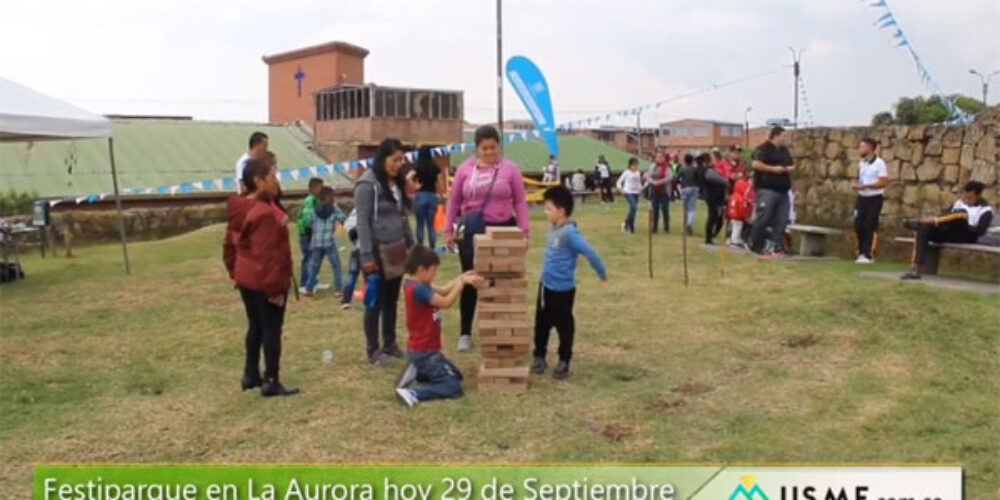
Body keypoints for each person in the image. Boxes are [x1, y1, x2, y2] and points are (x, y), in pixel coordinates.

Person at [444, 125, 530, 353]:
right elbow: (453, 201)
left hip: (503, 229)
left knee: (502, 282)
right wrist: (447, 231)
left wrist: (524, 232)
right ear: (477, 148)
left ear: (499, 146)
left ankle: (501, 332)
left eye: (493, 147)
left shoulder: (510, 170)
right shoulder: (464, 170)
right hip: (472, 231)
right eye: (485, 148)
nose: (490, 153)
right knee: (471, 280)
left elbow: (520, 201)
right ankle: (465, 333)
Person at [223, 152, 298, 397]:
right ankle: (271, 379)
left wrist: (236, 272)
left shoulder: (241, 207)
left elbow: (229, 245)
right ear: (258, 180)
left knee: (255, 326)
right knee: (270, 328)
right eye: (272, 176)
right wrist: (276, 287)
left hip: (246, 277)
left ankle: (250, 373)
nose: (276, 180)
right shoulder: (264, 213)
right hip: (264, 280)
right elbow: (270, 255)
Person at [530, 186, 607, 380]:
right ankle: (539, 356)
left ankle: (564, 360)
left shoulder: (569, 233)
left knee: (564, 325)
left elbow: (590, 252)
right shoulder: (554, 229)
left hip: (563, 291)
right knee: (541, 324)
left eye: (548, 208)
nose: (545, 212)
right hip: (545, 287)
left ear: (561, 211)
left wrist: (601, 272)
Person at [393, 246, 483, 408]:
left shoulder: (417, 283)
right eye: (433, 271)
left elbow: (443, 290)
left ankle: (417, 371)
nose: (435, 274)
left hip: (426, 351)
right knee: (453, 387)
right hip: (425, 351)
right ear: (421, 269)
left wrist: (462, 277)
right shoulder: (419, 289)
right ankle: (413, 393)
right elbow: (446, 302)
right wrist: (462, 283)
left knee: (456, 376)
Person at [355, 138, 415, 366]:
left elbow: (402, 215)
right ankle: (373, 350)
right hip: (376, 251)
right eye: (394, 160)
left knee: (391, 300)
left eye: (401, 160)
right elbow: (363, 221)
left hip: (396, 248)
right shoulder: (366, 184)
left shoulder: (396, 184)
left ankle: (390, 343)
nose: (398, 164)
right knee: (374, 302)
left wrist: (410, 243)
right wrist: (367, 256)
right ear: (383, 158)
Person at [901, 181, 993, 280]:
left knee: (961, 214)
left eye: (970, 198)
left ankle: (922, 221)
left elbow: (980, 231)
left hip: (967, 234)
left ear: (978, 195)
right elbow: (946, 217)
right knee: (924, 228)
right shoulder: (959, 203)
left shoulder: (985, 210)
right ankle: (916, 268)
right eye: (965, 197)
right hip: (950, 232)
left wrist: (966, 221)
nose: (967, 200)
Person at [749, 126, 794, 258]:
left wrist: (787, 168)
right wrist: (774, 169)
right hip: (767, 188)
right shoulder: (763, 149)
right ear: (775, 135)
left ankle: (775, 246)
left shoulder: (784, 150)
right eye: (783, 136)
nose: (785, 139)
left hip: (783, 190)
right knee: (764, 217)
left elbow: (790, 164)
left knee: (782, 219)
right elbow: (756, 164)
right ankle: (755, 243)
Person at [303, 187, 346, 297]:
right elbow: (342, 217)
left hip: (316, 242)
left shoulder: (315, 209)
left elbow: (308, 223)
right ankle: (338, 290)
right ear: (330, 197)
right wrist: (337, 220)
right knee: (336, 266)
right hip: (329, 242)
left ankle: (309, 289)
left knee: (314, 267)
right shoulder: (333, 208)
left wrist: (314, 228)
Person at [853, 137, 889, 264]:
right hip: (862, 197)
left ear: (869, 147)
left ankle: (868, 254)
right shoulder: (862, 163)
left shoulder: (879, 163)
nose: (860, 149)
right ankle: (861, 250)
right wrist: (857, 184)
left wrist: (867, 186)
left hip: (874, 198)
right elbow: (859, 178)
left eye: (862, 146)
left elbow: (883, 182)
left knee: (869, 225)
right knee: (858, 224)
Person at [296, 178, 324, 293]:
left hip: (312, 234)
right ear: (313, 188)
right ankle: (304, 283)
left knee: (314, 258)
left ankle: (313, 281)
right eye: (320, 188)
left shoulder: (315, 200)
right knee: (308, 258)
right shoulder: (309, 200)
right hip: (307, 235)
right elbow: (307, 219)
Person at [413, 146, 442, 249]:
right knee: (431, 224)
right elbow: (439, 181)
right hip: (432, 195)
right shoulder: (435, 166)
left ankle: (420, 246)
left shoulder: (417, 166)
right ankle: (432, 247)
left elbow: (409, 177)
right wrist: (440, 193)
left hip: (420, 195)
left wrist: (415, 186)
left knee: (420, 223)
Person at [703, 152, 729, 245]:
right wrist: (727, 180)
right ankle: (708, 238)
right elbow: (724, 181)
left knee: (720, 218)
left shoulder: (720, 168)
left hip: (719, 196)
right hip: (712, 197)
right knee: (712, 216)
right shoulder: (710, 171)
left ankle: (713, 234)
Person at [340, 209, 362, 310]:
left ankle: (345, 300)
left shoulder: (355, 211)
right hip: (366, 248)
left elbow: (348, 226)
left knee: (352, 274)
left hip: (356, 249)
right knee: (372, 276)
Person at [616, 157, 645, 233]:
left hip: (636, 193)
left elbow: (638, 182)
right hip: (628, 192)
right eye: (633, 165)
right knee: (633, 207)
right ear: (630, 165)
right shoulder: (626, 173)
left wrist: (640, 189)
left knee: (633, 210)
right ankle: (625, 224)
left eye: (636, 165)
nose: (635, 167)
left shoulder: (638, 173)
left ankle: (631, 228)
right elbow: (619, 182)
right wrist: (621, 190)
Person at [647, 152, 673, 233]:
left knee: (665, 209)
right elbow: (648, 176)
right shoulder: (652, 167)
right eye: (657, 157)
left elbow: (670, 177)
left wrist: (660, 182)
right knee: (655, 210)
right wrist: (654, 182)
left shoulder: (667, 167)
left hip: (664, 192)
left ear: (664, 158)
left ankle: (666, 227)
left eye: (660, 157)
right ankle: (654, 228)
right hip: (654, 192)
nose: (658, 158)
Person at [727, 173, 754, 247]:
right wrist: (744, 216)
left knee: (733, 226)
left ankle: (731, 239)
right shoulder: (741, 199)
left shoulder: (733, 196)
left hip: (732, 214)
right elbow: (741, 209)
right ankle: (734, 241)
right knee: (737, 228)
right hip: (738, 216)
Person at [676, 154, 699, 236]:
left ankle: (686, 225)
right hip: (694, 188)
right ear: (692, 161)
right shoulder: (695, 169)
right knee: (692, 208)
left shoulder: (682, 169)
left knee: (685, 208)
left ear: (685, 161)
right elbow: (699, 179)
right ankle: (689, 223)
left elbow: (677, 178)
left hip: (685, 188)